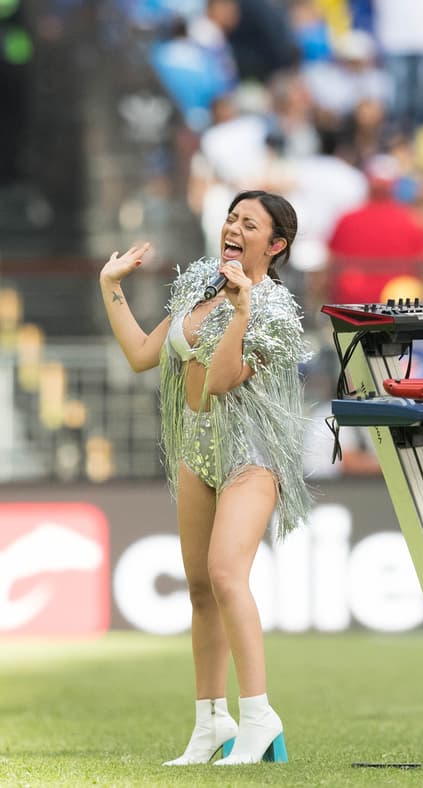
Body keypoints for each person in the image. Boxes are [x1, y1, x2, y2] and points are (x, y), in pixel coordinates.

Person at [100, 191, 312, 765]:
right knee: (198, 588)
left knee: (225, 573)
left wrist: (242, 311)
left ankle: (259, 715)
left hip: (252, 454)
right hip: (196, 448)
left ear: (276, 245)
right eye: (231, 217)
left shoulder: (273, 311)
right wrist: (110, 286)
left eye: (250, 224)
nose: (234, 228)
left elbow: (220, 381)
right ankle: (211, 720)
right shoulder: (198, 284)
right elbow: (144, 354)